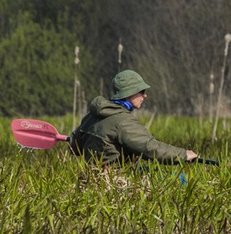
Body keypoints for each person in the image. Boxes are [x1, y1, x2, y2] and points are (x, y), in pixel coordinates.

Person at [67, 69, 208, 165]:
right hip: (114, 185)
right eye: (142, 91)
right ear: (130, 92)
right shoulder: (122, 121)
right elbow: (150, 148)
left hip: (89, 181)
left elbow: (73, 146)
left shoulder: (91, 116)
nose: (145, 95)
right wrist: (183, 154)